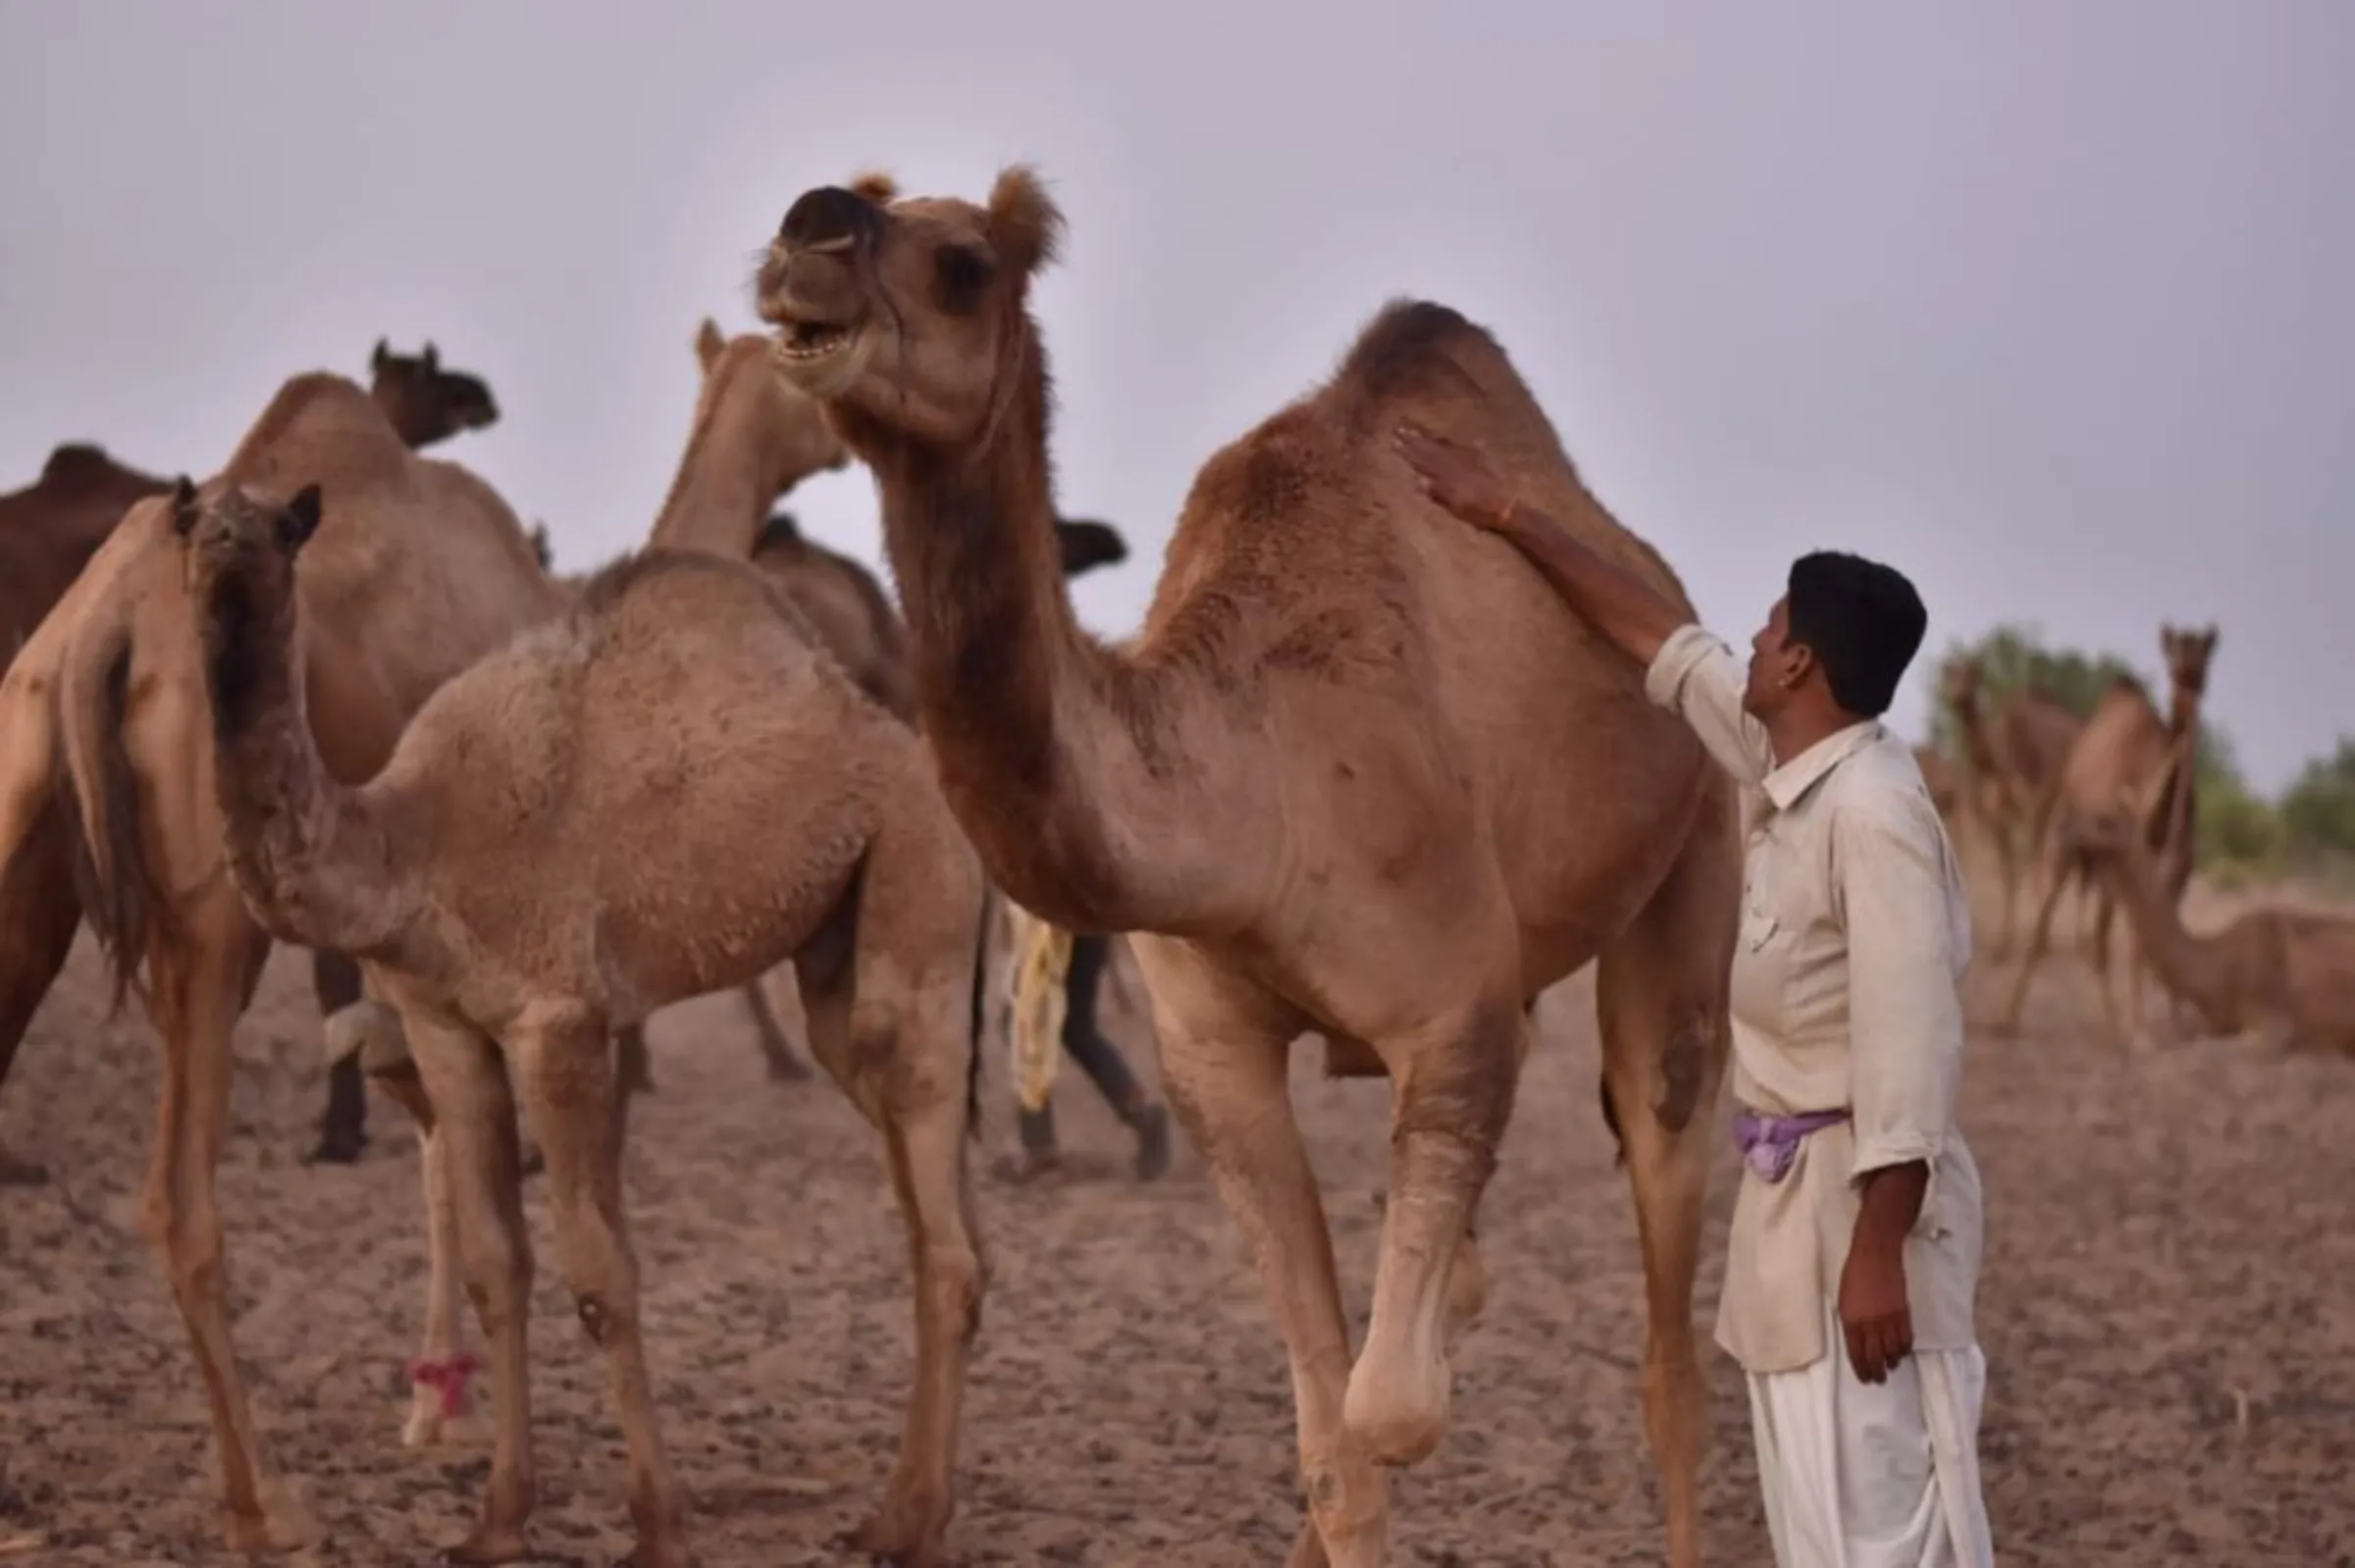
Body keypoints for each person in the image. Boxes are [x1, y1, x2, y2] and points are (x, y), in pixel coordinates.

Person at [1393, 419, 1994, 1567]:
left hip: (1865, 1226)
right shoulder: (1788, 767)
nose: (1751, 637)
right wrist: (1506, 516)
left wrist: (1878, 1248)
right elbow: (1660, 643)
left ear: (1802, 664)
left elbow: (1916, 1048)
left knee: (1892, 1531)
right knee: (1821, 1531)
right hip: (1790, 1216)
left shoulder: (1872, 815)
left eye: (1770, 624)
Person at [1003, 927, 1172, 1184]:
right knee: (1076, 1028)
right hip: (1085, 922)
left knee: (1028, 1025)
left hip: (1049, 926)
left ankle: (1038, 1145)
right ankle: (1141, 1113)